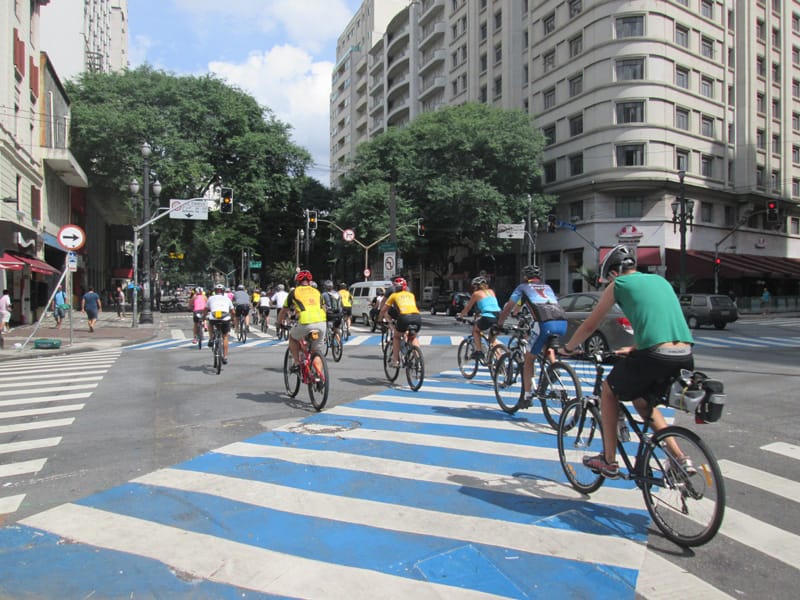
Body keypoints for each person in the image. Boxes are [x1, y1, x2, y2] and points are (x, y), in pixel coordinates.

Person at [560, 245, 695, 479]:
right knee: (643, 402)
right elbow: (660, 322)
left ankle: (608, 460)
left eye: (608, 278)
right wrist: (634, 348)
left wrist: (568, 348)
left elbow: (591, 325)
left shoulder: (619, 284)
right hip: (684, 355)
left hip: (654, 356)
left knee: (608, 391)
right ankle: (680, 458)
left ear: (613, 272)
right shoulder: (661, 281)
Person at [497, 265, 568, 407]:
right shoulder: (547, 287)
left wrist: (500, 323)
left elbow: (510, 307)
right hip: (562, 323)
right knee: (546, 346)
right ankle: (554, 367)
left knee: (529, 359)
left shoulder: (523, 288)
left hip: (544, 324)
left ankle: (527, 396)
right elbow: (521, 304)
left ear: (525, 277)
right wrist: (517, 311)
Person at [277, 270, 327, 375]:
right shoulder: (317, 292)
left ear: (297, 282)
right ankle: (319, 376)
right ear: (309, 281)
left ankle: (296, 363)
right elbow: (324, 308)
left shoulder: (294, 292)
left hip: (305, 322)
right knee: (316, 351)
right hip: (321, 322)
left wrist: (279, 323)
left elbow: (283, 311)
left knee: (293, 338)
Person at [378, 277, 422, 367]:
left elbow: (383, 310)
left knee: (396, 337)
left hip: (404, 317)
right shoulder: (411, 295)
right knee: (413, 337)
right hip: (417, 317)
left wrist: (379, 320)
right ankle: (419, 360)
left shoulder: (394, 295)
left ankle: (395, 361)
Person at [458, 275, 502, 360]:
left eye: (474, 287)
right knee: (492, 340)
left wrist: (461, 316)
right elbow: (487, 304)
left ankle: (479, 351)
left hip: (488, 317)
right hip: (499, 316)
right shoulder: (491, 291)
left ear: (476, 286)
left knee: (475, 330)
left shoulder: (476, 294)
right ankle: (500, 360)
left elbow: (468, 307)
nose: (473, 289)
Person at [204, 283, 235, 363]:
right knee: (225, 337)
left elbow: (206, 309)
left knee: (210, 323)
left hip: (214, 316)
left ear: (215, 291)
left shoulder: (211, 298)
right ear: (223, 291)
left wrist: (203, 317)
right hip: (225, 317)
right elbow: (233, 311)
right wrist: (233, 319)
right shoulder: (227, 299)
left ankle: (211, 338)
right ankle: (225, 357)